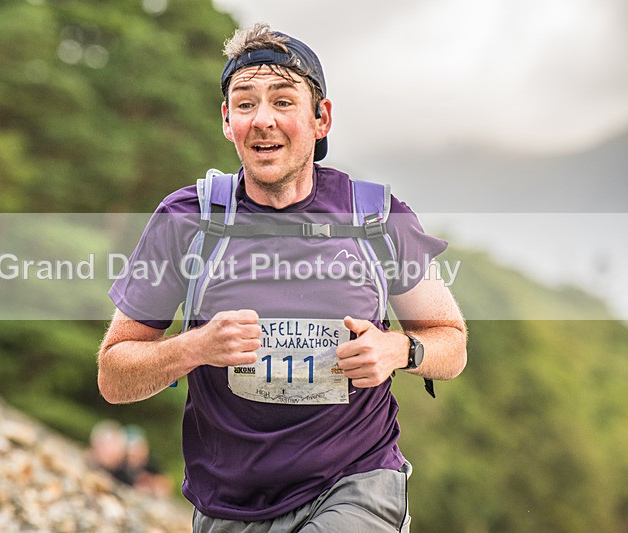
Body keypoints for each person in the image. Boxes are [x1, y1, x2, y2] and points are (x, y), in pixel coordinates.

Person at [98, 23, 467, 532]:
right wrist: (194, 347)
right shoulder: (188, 220)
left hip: (356, 484)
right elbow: (114, 376)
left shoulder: (376, 218)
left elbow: (451, 342)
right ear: (227, 121)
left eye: (284, 101)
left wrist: (397, 350)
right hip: (229, 507)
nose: (263, 120)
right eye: (245, 103)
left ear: (321, 118)